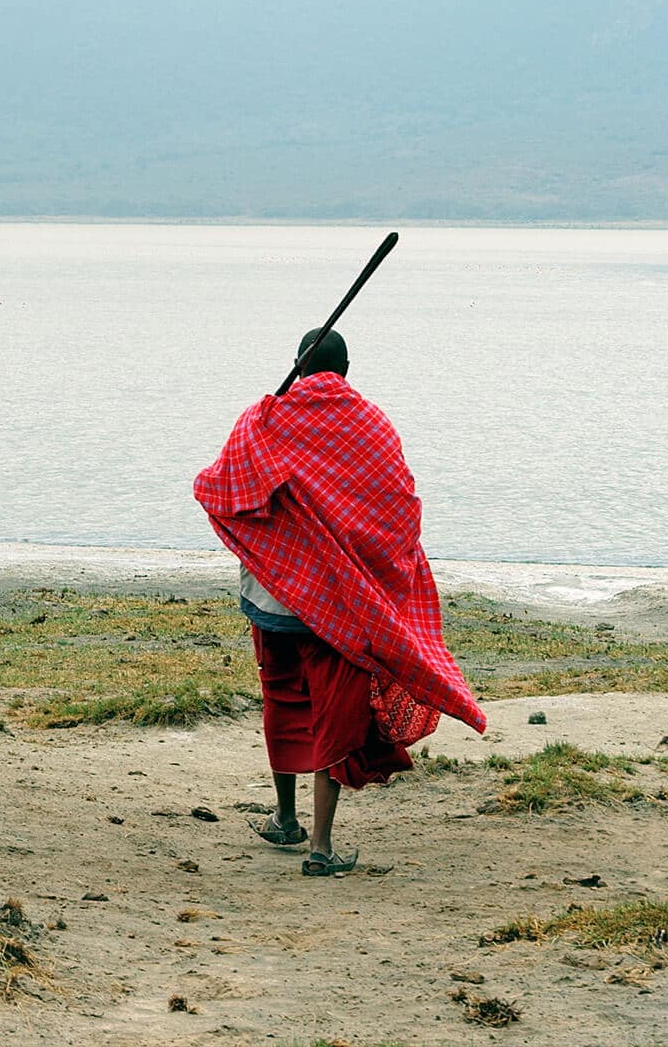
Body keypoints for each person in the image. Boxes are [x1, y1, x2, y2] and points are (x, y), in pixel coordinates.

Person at [193, 328, 485, 876]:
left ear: (297, 365)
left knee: (282, 700)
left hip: (271, 597)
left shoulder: (263, 420)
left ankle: (285, 819)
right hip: (338, 607)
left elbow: (223, 487)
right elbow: (397, 510)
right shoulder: (370, 424)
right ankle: (320, 848)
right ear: (347, 368)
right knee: (331, 714)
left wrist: (258, 422)